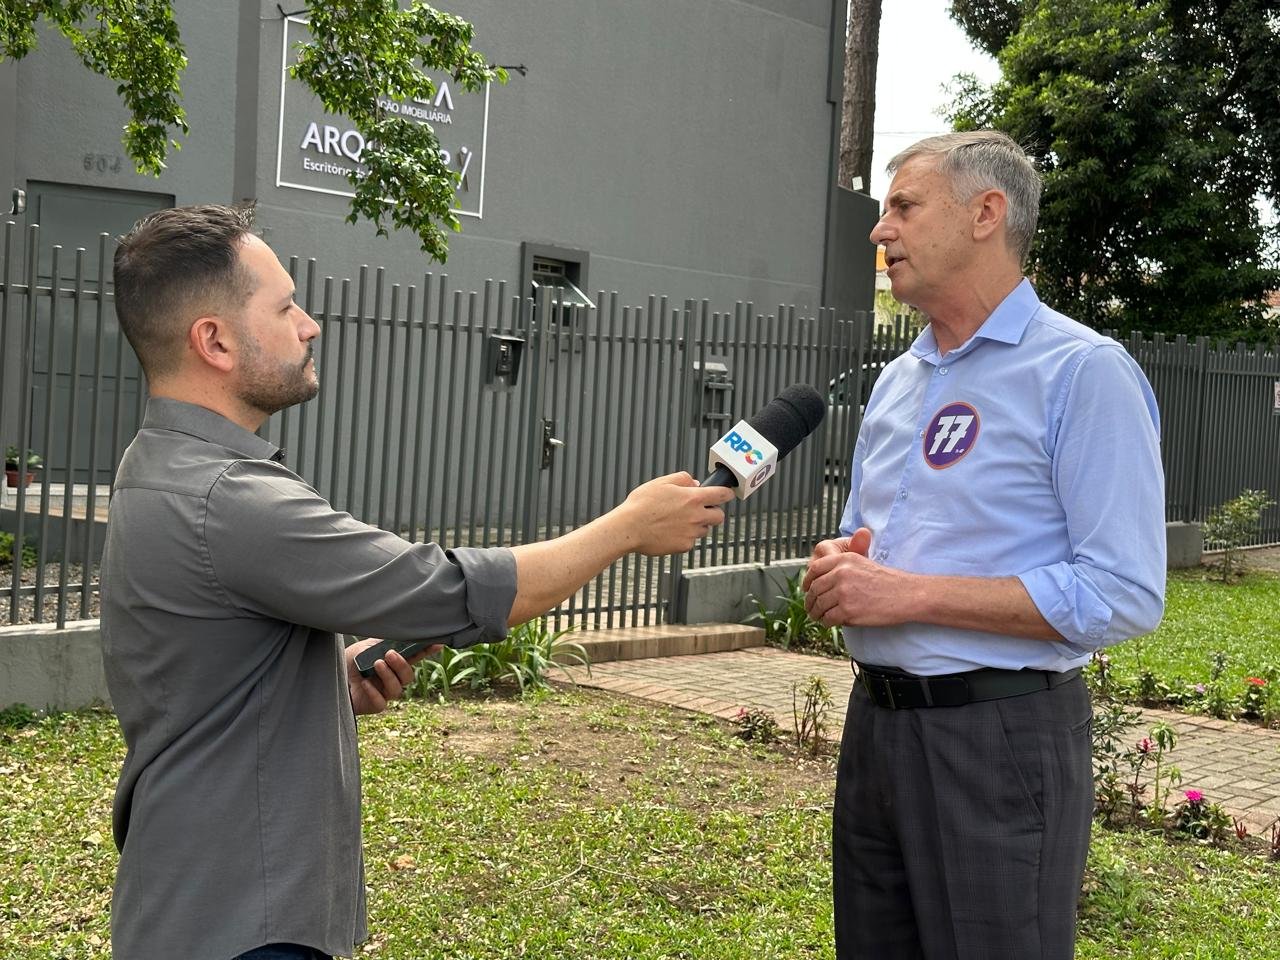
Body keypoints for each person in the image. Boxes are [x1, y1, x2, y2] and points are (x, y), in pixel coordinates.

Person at [100, 204, 734, 960]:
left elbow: (200, 674)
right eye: (285, 306)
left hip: (194, 901)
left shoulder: (157, 467)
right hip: (242, 920)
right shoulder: (226, 499)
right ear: (215, 340)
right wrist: (627, 527)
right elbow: (451, 590)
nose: (310, 325)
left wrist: (323, 682)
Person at [803, 131, 1166, 960]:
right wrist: (844, 570)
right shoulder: (899, 380)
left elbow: (1123, 591)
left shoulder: (1082, 371)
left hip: (999, 736)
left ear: (985, 215)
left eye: (903, 206)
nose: (879, 230)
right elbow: (885, 545)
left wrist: (909, 596)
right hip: (877, 728)